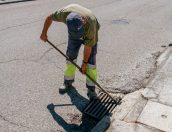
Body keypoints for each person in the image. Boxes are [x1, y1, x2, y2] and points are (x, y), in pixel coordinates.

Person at [40, 4, 100, 100]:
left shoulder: (90, 25)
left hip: (90, 31)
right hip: (73, 36)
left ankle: (91, 89)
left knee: (91, 61)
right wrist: (44, 32)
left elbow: (88, 47)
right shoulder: (63, 14)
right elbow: (49, 18)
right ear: (66, 21)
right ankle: (68, 82)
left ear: (83, 21)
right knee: (70, 57)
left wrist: (84, 63)